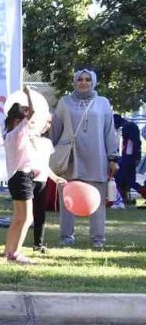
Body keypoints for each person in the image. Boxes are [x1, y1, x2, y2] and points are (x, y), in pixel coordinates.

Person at [50, 68, 118, 248]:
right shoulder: (64, 102)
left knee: (97, 200)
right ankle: (66, 236)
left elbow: (109, 132)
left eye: (88, 79)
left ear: (93, 82)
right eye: (80, 79)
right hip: (70, 158)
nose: (84, 82)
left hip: (97, 158)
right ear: (75, 81)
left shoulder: (103, 103)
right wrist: (51, 154)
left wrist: (113, 157)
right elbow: (55, 130)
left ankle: (98, 238)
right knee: (67, 199)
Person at [1, 89, 39, 264]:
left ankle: (8, 250)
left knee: (17, 218)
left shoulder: (9, 135)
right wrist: (28, 93)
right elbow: (33, 112)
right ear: (18, 120)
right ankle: (16, 253)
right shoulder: (18, 132)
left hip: (15, 178)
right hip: (22, 177)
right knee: (27, 218)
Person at [31, 118, 64, 254]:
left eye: (49, 122)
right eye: (45, 121)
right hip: (27, 180)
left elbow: (45, 165)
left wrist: (55, 178)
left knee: (40, 214)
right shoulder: (26, 139)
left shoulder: (47, 143)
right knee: (24, 216)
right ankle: (13, 247)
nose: (47, 125)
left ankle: (38, 244)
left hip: (42, 181)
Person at [112, 114, 140, 208]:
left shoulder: (128, 127)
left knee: (125, 180)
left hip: (128, 157)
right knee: (127, 180)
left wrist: (136, 157)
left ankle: (120, 199)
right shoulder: (129, 126)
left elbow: (135, 142)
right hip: (128, 157)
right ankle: (123, 198)